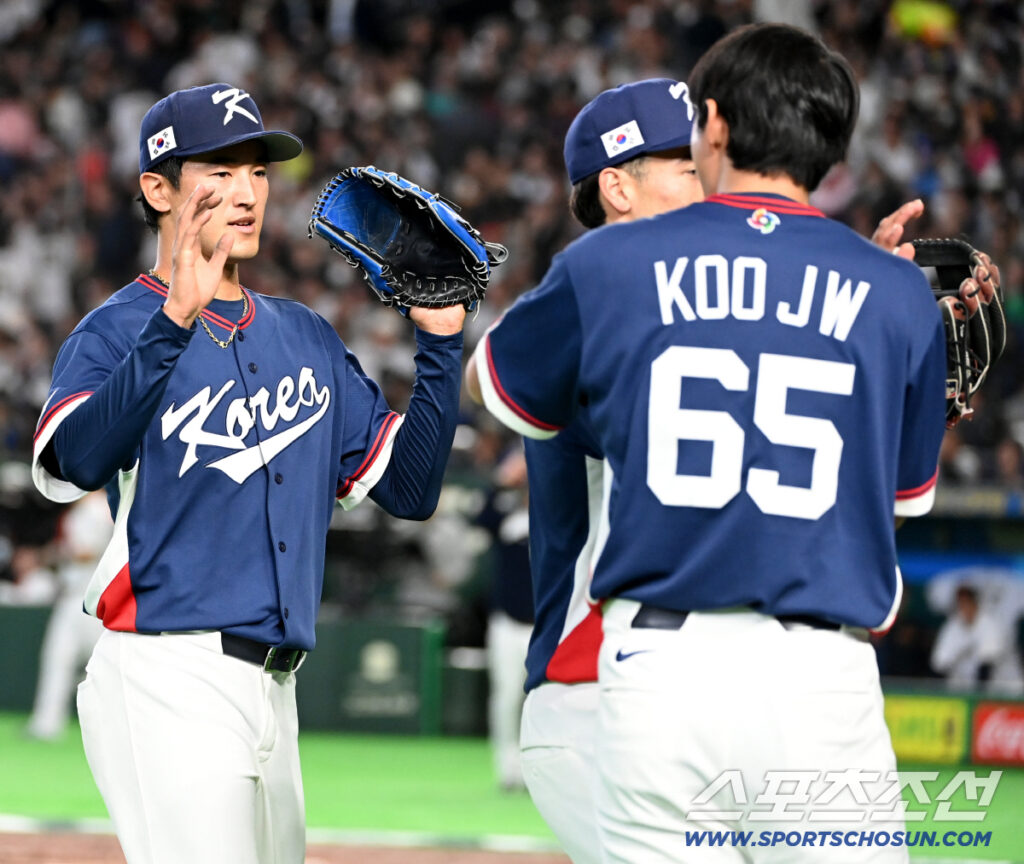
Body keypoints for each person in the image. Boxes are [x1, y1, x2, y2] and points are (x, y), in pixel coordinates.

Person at [467, 23, 982, 863]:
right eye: (673, 161)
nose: (697, 169)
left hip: (659, 671)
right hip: (655, 679)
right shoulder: (875, 290)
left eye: (691, 150)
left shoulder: (607, 283)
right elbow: (886, 493)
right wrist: (867, 326)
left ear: (718, 129)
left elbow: (489, 382)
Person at [30, 83, 466, 864]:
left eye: (259, 172)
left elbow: (410, 490)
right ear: (158, 189)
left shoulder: (305, 335)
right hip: (166, 671)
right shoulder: (114, 330)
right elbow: (75, 463)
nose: (247, 193)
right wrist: (172, 325)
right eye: (221, 171)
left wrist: (439, 342)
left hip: (274, 687)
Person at [25, 489, 112, 741]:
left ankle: (109, 726)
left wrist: (56, 553)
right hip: (76, 595)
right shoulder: (84, 507)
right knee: (58, 657)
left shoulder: (98, 506)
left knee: (103, 665)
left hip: (92, 596)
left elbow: (89, 551)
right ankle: (47, 723)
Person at [473, 446, 534, 792]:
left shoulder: (557, 517)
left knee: (541, 702)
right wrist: (501, 480)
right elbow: (480, 519)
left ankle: (535, 771)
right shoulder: (505, 514)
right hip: (507, 622)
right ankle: (507, 770)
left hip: (545, 625)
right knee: (506, 697)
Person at [931, 582, 1024, 695]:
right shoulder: (953, 625)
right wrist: (960, 653)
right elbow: (939, 662)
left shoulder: (990, 622)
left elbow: (987, 661)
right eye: (961, 603)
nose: (964, 607)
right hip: (966, 690)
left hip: (1005, 686)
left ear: (974, 601)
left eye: (967, 602)